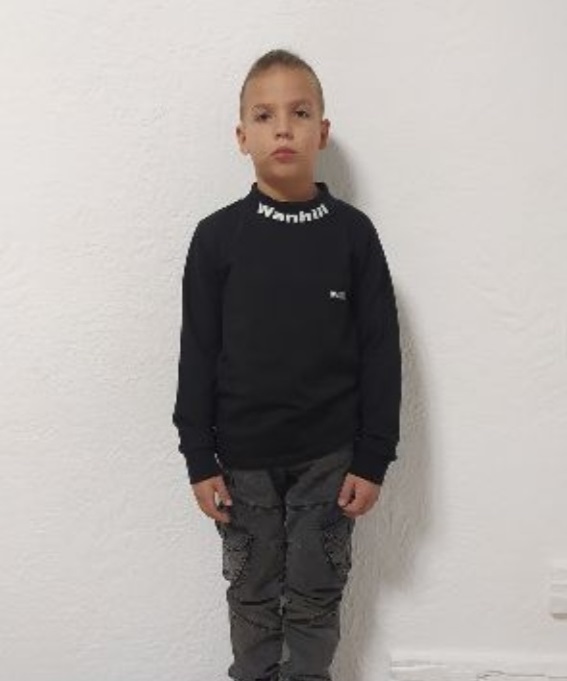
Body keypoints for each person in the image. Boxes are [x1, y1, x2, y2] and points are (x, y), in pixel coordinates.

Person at [173, 48, 402, 681]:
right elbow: (197, 350)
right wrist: (198, 457)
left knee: (314, 596)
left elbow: (381, 351)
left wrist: (372, 457)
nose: (282, 128)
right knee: (251, 596)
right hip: (241, 462)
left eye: (299, 113)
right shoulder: (216, 238)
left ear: (321, 132)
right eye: (264, 115)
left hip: (329, 461)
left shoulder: (353, 235)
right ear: (241, 136)